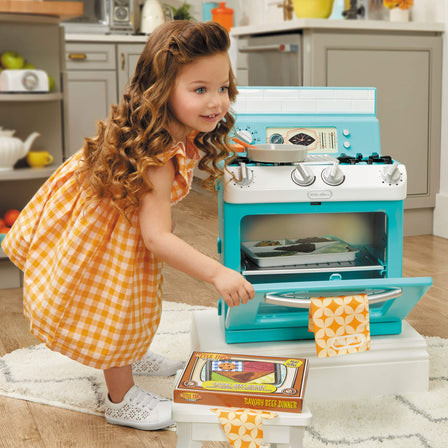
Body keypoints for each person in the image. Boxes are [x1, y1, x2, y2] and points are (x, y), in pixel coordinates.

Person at [1, 20, 254, 431]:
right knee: (116, 302)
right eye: (200, 90)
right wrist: (217, 273)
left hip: (109, 219)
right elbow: (157, 238)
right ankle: (121, 398)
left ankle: (131, 351)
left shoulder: (165, 126)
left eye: (222, 88)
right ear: (163, 88)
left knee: (135, 299)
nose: (216, 102)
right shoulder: (157, 156)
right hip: (108, 233)